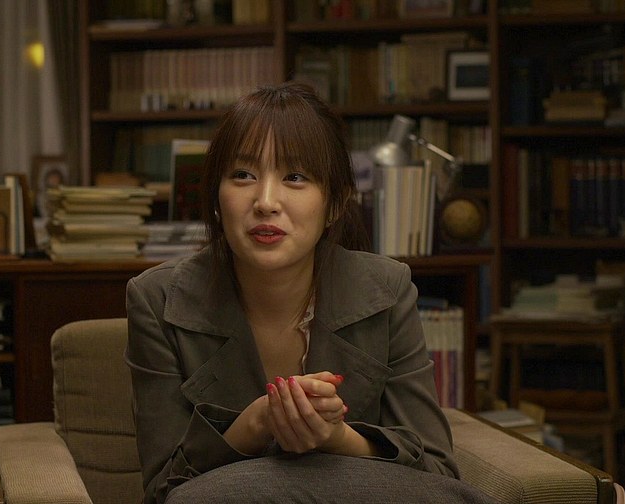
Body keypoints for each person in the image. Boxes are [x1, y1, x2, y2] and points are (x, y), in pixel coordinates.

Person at [125, 82, 497, 504]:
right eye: (243, 175)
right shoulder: (156, 299)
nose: (266, 202)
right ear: (215, 198)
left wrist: (338, 438)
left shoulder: (388, 289)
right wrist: (257, 423)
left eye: (295, 177)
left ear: (335, 203)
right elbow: (162, 488)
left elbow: (437, 472)